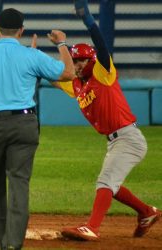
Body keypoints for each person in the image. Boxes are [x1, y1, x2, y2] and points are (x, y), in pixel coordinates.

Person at [0, 8, 75, 250]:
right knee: (19, 183)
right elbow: (69, 73)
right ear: (21, 31)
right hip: (24, 125)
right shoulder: (32, 56)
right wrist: (62, 43)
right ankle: (13, 245)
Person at [50, 0, 161, 241]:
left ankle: (92, 227)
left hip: (128, 137)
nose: (77, 66)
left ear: (90, 61)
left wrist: (88, 21)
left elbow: (100, 45)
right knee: (113, 185)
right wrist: (32, 59)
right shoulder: (77, 84)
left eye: (80, 61)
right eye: (75, 62)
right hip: (114, 140)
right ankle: (146, 212)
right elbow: (55, 79)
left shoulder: (103, 72)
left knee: (105, 182)